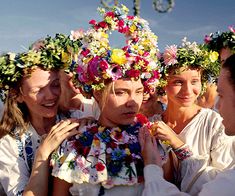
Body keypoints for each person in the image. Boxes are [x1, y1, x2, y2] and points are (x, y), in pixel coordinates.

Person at [50, 5, 172, 196]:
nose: (133, 102)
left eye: (139, 91)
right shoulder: (73, 143)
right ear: (97, 93)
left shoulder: (152, 141)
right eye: (121, 92)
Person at [145, 38, 235, 195]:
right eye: (178, 82)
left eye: (195, 81)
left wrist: (178, 144)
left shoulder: (216, 123)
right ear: (163, 83)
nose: (188, 90)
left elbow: (223, 180)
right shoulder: (150, 124)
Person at [0, 36, 80, 196]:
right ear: (18, 95)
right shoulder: (9, 144)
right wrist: (43, 153)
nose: (50, 96)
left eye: (55, 85)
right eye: (38, 91)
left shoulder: (77, 117)